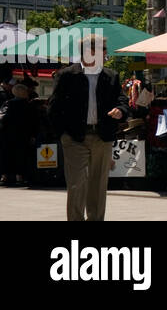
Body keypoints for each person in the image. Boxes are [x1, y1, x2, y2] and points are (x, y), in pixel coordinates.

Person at [47, 34, 127, 221]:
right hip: (74, 137)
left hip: (102, 136)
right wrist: (62, 134)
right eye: (103, 50)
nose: (107, 53)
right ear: (90, 52)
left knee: (98, 184)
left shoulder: (111, 76)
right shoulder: (67, 75)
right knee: (77, 183)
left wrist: (120, 110)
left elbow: (122, 100)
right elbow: (54, 106)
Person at [0, 82, 38, 186]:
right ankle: (20, 177)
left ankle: (5, 176)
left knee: (6, 155)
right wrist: (33, 135)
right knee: (22, 156)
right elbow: (33, 122)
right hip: (23, 136)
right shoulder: (29, 106)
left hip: (8, 135)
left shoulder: (8, 104)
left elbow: (3, 118)